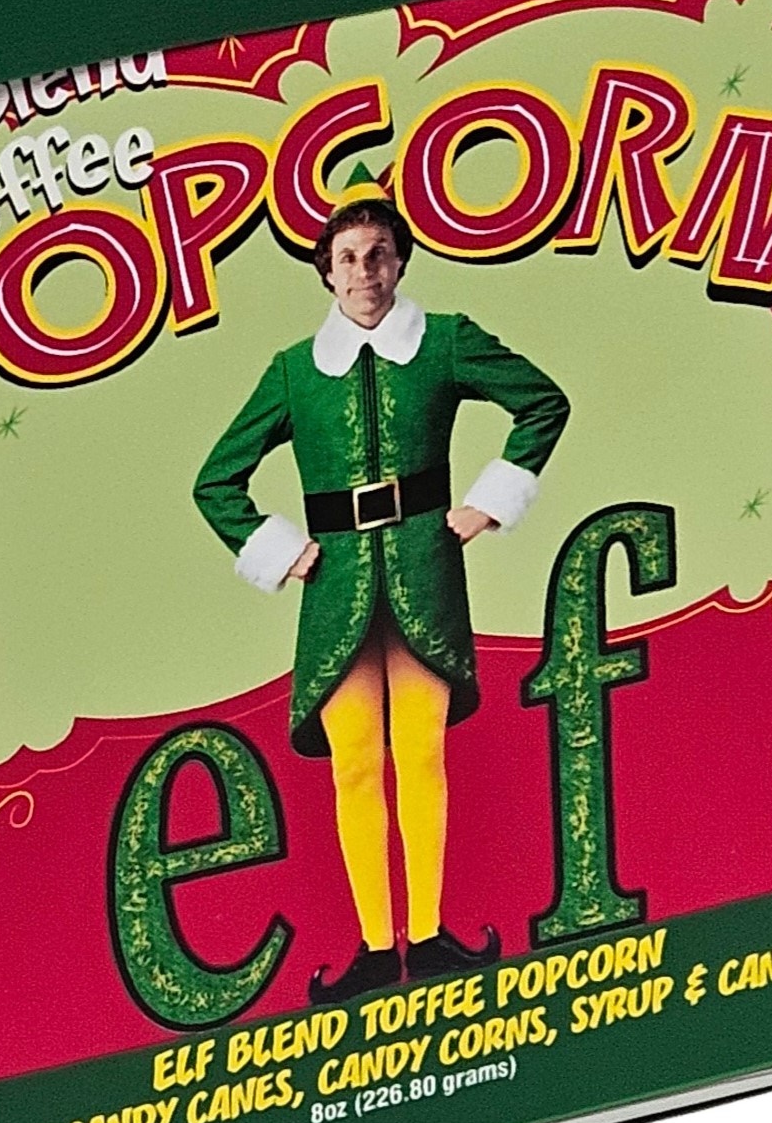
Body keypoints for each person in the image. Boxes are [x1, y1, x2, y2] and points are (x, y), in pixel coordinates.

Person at [193, 172, 569, 1004]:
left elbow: (542, 403)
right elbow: (215, 479)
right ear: (325, 270)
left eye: (378, 254)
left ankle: (426, 935)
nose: (364, 270)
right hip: (334, 588)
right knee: (355, 765)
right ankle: (373, 945)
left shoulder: (445, 341)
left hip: (425, 574)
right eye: (348, 256)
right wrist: (281, 550)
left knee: (422, 753)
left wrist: (488, 502)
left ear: (399, 262)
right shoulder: (294, 372)